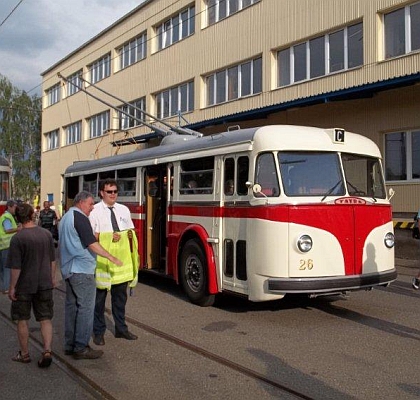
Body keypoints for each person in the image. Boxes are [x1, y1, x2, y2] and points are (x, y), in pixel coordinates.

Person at [59, 191, 123, 360]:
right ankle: (81, 346)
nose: (92, 207)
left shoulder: (66, 217)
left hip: (69, 269)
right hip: (82, 270)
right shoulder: (80, 217)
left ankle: (70, 344)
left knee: (72, 308)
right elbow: (91, 243)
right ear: (80, 203)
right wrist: (111, 257)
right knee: (86, 309)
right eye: (90, 204)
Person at [89, 178, 139, 346]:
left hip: (120, 263)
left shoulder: (123, 210)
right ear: (101, 193)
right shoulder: (94, 211)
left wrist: (126, 234)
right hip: (102, 263)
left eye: (115, 191)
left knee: (120, 300)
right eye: (109, 191)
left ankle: (121, 329)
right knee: (99, 301)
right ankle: (98, 332)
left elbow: (130, 231)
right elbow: (91, 237)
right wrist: (109, 237)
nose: (113, 195)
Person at [7, 204, 56, 368]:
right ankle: (47, 350)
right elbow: (52, 261)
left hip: (24, 286)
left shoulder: (18, 238)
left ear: (17, 218)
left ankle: (24, 353)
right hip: (44, 283)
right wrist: (52, 279)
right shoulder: (46, 234)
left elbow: (16, 268)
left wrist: (12, 287)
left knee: (22, 319)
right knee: (45, 318)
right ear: (33, 215)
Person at [0, 200, 19, 294]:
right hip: (7, 245)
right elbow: (8, 230)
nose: (16, 209)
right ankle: (6, 287)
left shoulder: (6, 216)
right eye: (15, 207)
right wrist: (18, 229)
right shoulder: (7, 217)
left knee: (2, 268)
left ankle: (3, 286)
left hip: (3, 245)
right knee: (6, 267)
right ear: (9, 207)